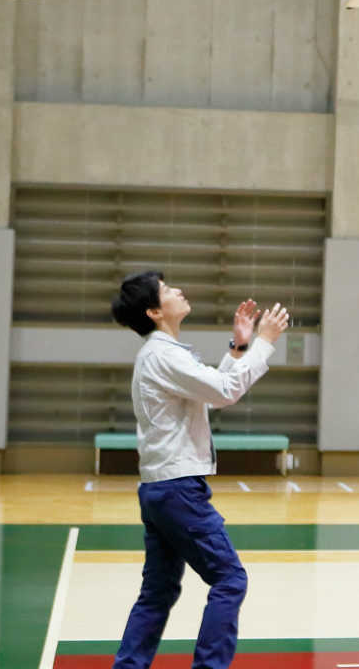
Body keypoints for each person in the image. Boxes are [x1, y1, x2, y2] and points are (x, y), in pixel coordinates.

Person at [109, 270, 290, 669]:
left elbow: (208, 392)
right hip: (177, 489)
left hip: (159, 488)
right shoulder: (164, 354)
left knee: (157, 592)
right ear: (155, 311)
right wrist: (264, 343)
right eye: (168, 290)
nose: (178, 290)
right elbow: (225, 391)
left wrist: (239, 346)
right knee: (230, 579)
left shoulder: (161, 353)